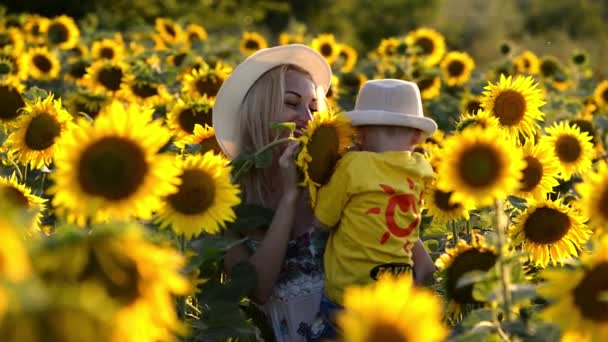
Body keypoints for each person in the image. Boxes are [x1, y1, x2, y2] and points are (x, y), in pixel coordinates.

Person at [213, 46, 435, 341]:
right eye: (292, 103)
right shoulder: (220, 199)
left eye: (314, 107)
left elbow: (421, 264)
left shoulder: (336, 176)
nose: (307, 117)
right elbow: (259, 289)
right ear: (260, 110)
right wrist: (291, 196)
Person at [311, 79, 437, 339]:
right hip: (397, 294)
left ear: (360, 133)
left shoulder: (352, 166)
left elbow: (322, 220)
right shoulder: (422, 170)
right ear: (416, 135)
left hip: (348, 296)